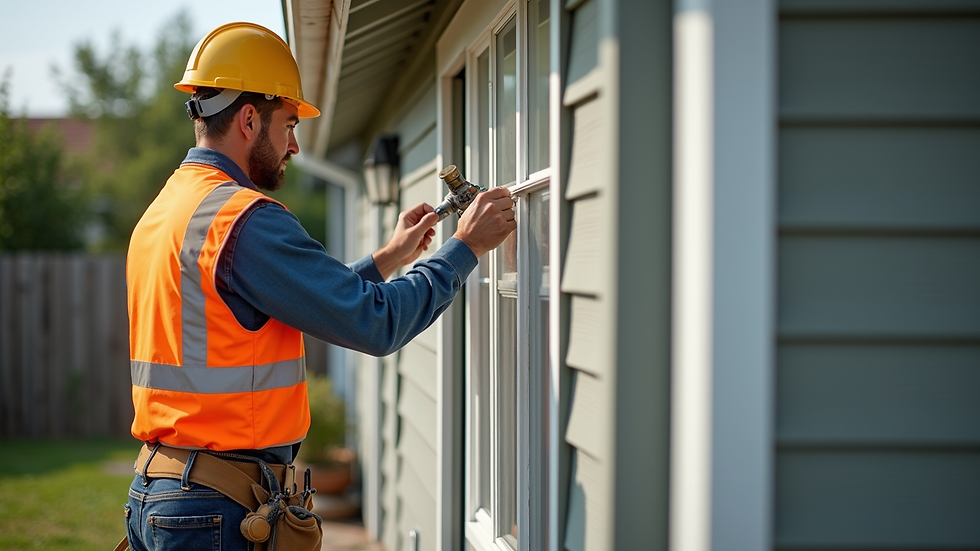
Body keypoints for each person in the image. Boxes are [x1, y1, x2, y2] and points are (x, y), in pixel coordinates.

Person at [123, 22, 514, 551]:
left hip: (163, 493)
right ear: (247, 119)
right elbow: (374, 323)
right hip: (214, 508)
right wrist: (465, 247)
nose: (295, 145)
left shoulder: (166, 211)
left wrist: (386, 259)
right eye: (288, 124)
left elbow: (277, 306)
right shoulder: (244, 219)